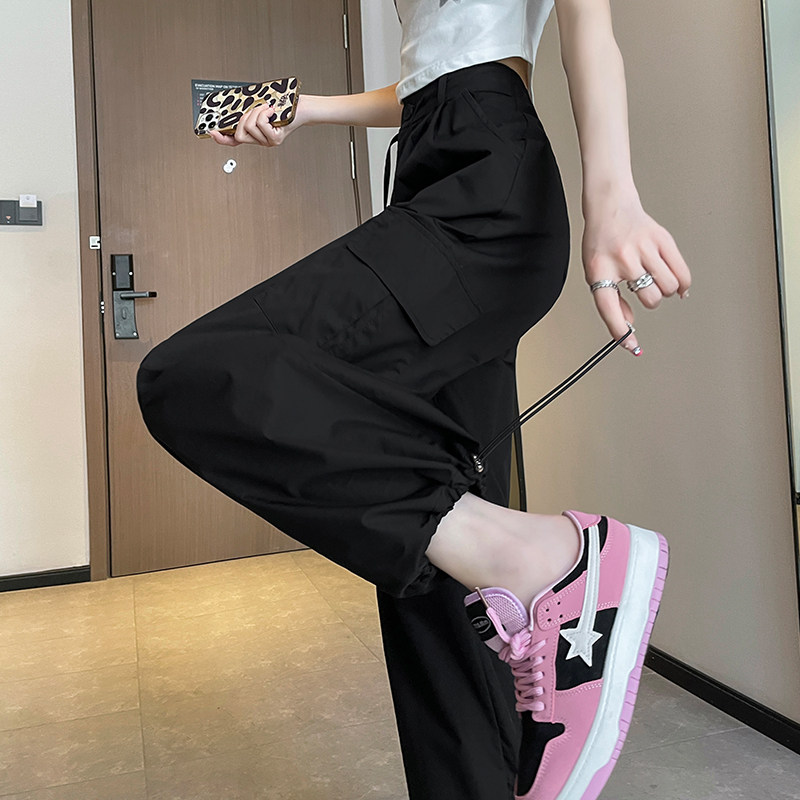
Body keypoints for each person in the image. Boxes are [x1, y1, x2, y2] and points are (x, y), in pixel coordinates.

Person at [137, 0, 692, 797]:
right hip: (430, 166)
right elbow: (431, 71)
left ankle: (544, 558)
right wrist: (306, 110)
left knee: (194, 374)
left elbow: (587, 34)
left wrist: (613, 200)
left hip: (487, 187)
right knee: (434, 566)